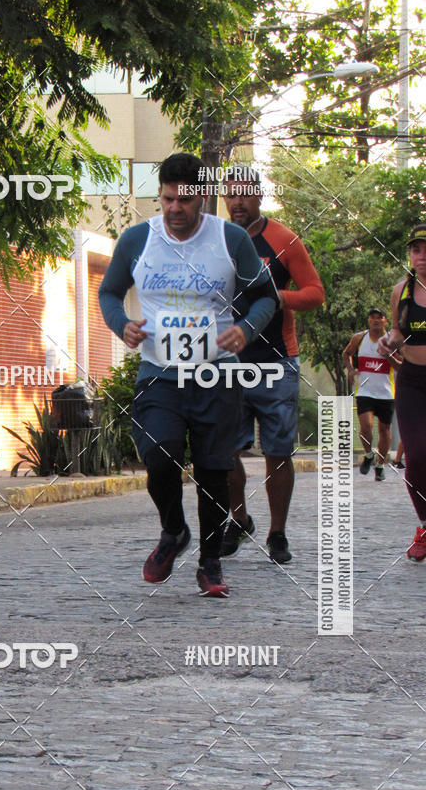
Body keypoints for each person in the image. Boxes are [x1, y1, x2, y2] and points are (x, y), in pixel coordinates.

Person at [98, 153, 277, 597]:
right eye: (167, 199)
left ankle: (211, 561)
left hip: (217, 374)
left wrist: (245, 328)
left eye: (185, 199)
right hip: (160, 371)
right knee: (158, 453)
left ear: (203, 198)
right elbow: (109, 291)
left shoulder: (230, 239)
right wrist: (121, 324)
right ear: (160, 196)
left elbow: (265, 297)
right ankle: (174, 531)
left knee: (215, 470)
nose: (175, 208)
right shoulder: (138, 239)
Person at [220, 166, 324, 564]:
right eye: (231, 194)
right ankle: (238, 519)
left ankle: (277, 533)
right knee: (223, 452)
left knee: (277, 453)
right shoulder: (217, 239)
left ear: (259, 196)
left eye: (245, 194)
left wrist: (278, 297)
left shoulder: (283, 240)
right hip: (227, 363)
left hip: (277, 360)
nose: (237, 202)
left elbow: (315, 294)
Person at [378, 223, 426, 561]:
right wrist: (387, 341)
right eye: (416, 249)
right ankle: (424, 525)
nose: (422, 256)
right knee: (417, 458)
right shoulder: (402, 291)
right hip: (411, 381)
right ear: (409, 254)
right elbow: (397, 331)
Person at [343, 308, 398, 481]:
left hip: (386, 392)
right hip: (365, 391)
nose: (375, 320)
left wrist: (388, 356)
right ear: (368, 321)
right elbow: (346, 353)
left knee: (384, 430)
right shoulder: (359, 338)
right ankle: (368, 455)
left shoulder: (392, 341)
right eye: (372, 317)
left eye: (379, 317)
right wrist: (350, 370)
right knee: (366, 426)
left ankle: (380, 466)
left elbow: (400, 365)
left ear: (385, 321)